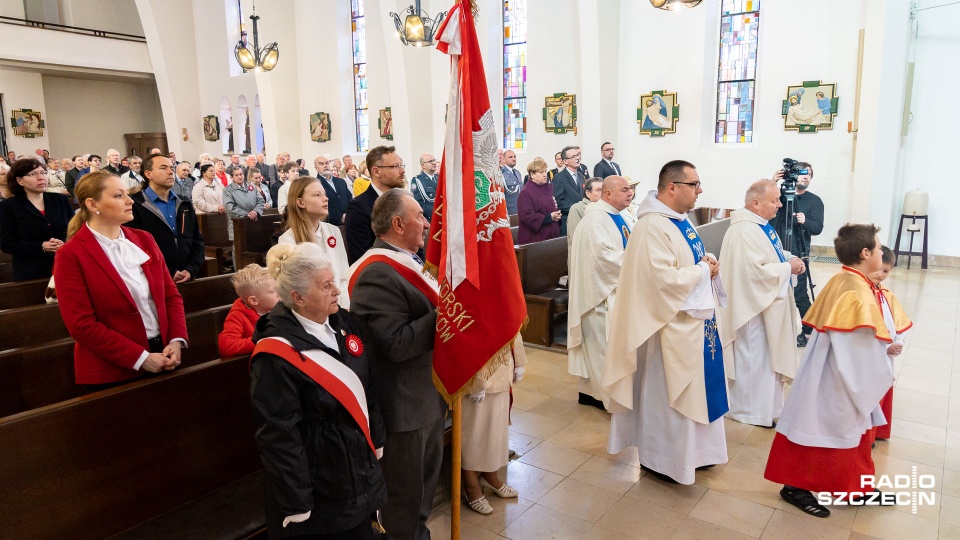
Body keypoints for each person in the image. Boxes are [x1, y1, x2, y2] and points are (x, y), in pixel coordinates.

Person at [764, 224, 912, 517]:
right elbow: (857, 348)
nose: (882, 251)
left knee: (846, 433)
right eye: (879, 246)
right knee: (820, 430)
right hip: (838, 375)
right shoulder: (855, 292)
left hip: (831, 369)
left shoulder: (847, 278)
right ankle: (795, 486)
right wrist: (882, 364)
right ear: (866, 252)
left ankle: (856, 488)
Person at [602, 160, 728, 485]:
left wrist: (705, 263)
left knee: (697, 392)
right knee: (668, 396)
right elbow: (659, 280)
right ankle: (664, 460)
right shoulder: (651, 226)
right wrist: (703, 272)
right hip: (666, 331)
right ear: (672, 188)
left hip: (691, 324)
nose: (700, 191)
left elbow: (684, 263)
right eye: (694, 184)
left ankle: (697, 455)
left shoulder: (679, 221)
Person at [250, 242, 386, 539]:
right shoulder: (275, 354)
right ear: (297, 297)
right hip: (320, 485)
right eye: (326, 286)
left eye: (334, 281)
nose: (337, 291)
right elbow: (279, 434)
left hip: (358, 471)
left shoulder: (345, 322)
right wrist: (297, 502)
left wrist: (375, 438)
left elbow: (366, 386)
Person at [348, 189, 446, 540]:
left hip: (427, 397)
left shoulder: (409, 261)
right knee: (404, 499)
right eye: (420, 215)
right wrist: (448, 312)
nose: (426, 223)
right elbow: (397, 344)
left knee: (423, 491)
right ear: (398, 223)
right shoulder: (378, 272)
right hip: (404, 407)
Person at [54, 170, 188, 391]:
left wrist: (176, 340)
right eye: (118, 196)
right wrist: (140, 358)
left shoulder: (144, 239)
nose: (129, 201)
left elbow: (170, 295)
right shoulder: (71, 254)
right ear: (92, 204)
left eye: (127, 194)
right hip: (113, 369)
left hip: (164, 354)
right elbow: (81, 325)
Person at [717, 180, 805, 428]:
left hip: (765, 307)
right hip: (752, 311)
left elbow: (769, 255)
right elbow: (753, 273)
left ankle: (767, 409)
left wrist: (789, 259)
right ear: (755, 203)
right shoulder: (744, 230)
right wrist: (788, 268)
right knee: (754, 360)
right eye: (774, 200)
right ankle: (748, 411)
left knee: (767, 361)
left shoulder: (761, 226)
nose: (780, 205)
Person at [568, 176, 633, 411]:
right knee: (600, 349)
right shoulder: (595, 220)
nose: (630, 194)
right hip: (599, 297)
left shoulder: (620, 216)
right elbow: (603, 259)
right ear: (607, 194)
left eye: (630, 189)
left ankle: (591, 393)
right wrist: (638, 260)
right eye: (624, 190)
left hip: (615, 291)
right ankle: (605, 398)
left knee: (602, 350)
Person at [461, 337, 525, 515]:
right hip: (478, 371)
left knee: (496, 431)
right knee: (474, 431)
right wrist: (476, 379)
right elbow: (468, 333)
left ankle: (490, 475)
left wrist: (519, 359)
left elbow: (514, 320)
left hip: (503, 366)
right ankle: (471, 484)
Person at [129, 154, 205, 284]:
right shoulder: (135, 204)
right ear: (148, 174)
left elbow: (196, 240)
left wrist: (191, 269)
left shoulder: (183, 203)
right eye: (163, 168)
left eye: (172, 168)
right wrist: (168, 271)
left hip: (187, 276)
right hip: (154, 279)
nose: (170, 172)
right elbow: (135, 247)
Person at [772, 162, 824, 347]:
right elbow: (767, 216)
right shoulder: (779, 197)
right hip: (776, 251)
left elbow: (817, 228)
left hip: (799, 252)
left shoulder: (814, 201)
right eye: (802, 173)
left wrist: (805, 221)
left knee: (800, 294)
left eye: (809, 174)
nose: (805, 177)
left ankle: (808, 332)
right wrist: (772, 184)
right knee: (775, 293)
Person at [279, 176, 351, 309]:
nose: (325, 198)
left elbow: (343, 276)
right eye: (317, 195)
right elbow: (297, 286)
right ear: (300, 202)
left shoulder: (333, 231)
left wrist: (344, 306)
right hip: (310, 309)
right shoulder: (287, 240)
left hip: (338, 305)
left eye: (324, 194)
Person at [0, 158, 74, 280]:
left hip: (65, 264)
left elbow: (74, 230)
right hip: (32, 270)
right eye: (33, 174)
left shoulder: (60, 200)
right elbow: (7, 244)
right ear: (20, 180)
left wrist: (64, 243)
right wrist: (42, 246)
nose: (41, 177)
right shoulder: (8, 206)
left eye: (43, 173)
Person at [344, 146, 406, 265]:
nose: (402, 171)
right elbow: (363, 257)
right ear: (376, 171)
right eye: (395, 166)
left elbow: (415, 245)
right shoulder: (359, 208)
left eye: (401, 165)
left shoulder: (404, 201)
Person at [871, 246, 907, 442]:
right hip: (872, 357)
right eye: (878, 269)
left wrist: (899, 340)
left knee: (884, 389)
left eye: (886, 271)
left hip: (887, 355)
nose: (881, 275)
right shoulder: (864, 296)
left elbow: (898, 323)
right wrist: (885, 348)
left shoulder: (885, 294)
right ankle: (867, 435)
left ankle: (878, 432)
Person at [217, 263, 279, 357]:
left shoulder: (278, 308)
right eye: (273, 291)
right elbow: (226, 346)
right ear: (254, 300)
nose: (279, 293)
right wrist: (263, 340)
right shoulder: (237, 316)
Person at [516, 157, 560, 244]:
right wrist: (549, 217)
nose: (544, 175)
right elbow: (527, 216)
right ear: (532, 175)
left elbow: (551, 206)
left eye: (545, 171)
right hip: (535, 237)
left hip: (551, 233)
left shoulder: (547, 187)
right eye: (541, 172)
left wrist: (557, 213)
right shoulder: (526, 192)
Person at [552, 146, 585, 235]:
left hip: (582, 219)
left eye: (578, 155)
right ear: (565, 161)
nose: (577, 158)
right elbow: (558, 202)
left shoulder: (581, 177)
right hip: (568, 220)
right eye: (573, 156)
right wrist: (578, 208)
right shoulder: (559, 178)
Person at [566, 177, 603, 249]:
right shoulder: (577, 209)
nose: (602, 194)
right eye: (598, 190)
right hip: (583, 255)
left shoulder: (604, 208)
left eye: (604, 191)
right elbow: (577, 239)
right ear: (588, 193)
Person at [315, 155, 352, 226]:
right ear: (316, 168)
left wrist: (350, 214)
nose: (325, 166)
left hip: (348, 221)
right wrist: (340, 217)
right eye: (321, 164)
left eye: (326, 163)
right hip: (329, 222)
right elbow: (318, 205)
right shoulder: (316, 184)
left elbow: (350, 199)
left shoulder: (341, 181)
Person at [410, 154, 438, 222]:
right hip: (429, 219)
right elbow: (419, 203)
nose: (434, 163)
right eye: (430, 161)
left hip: (442, 218)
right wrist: (437, 213)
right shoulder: (417, 180)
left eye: (434, 160)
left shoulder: (439, 178)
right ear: (423, 165)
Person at [500, 150, 523, 215]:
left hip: (521, 209)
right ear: (504, 160)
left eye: (514, 157)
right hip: (510, 211)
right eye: (510, 157)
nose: (513, 159)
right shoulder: (501, 174)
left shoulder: (517, 173)